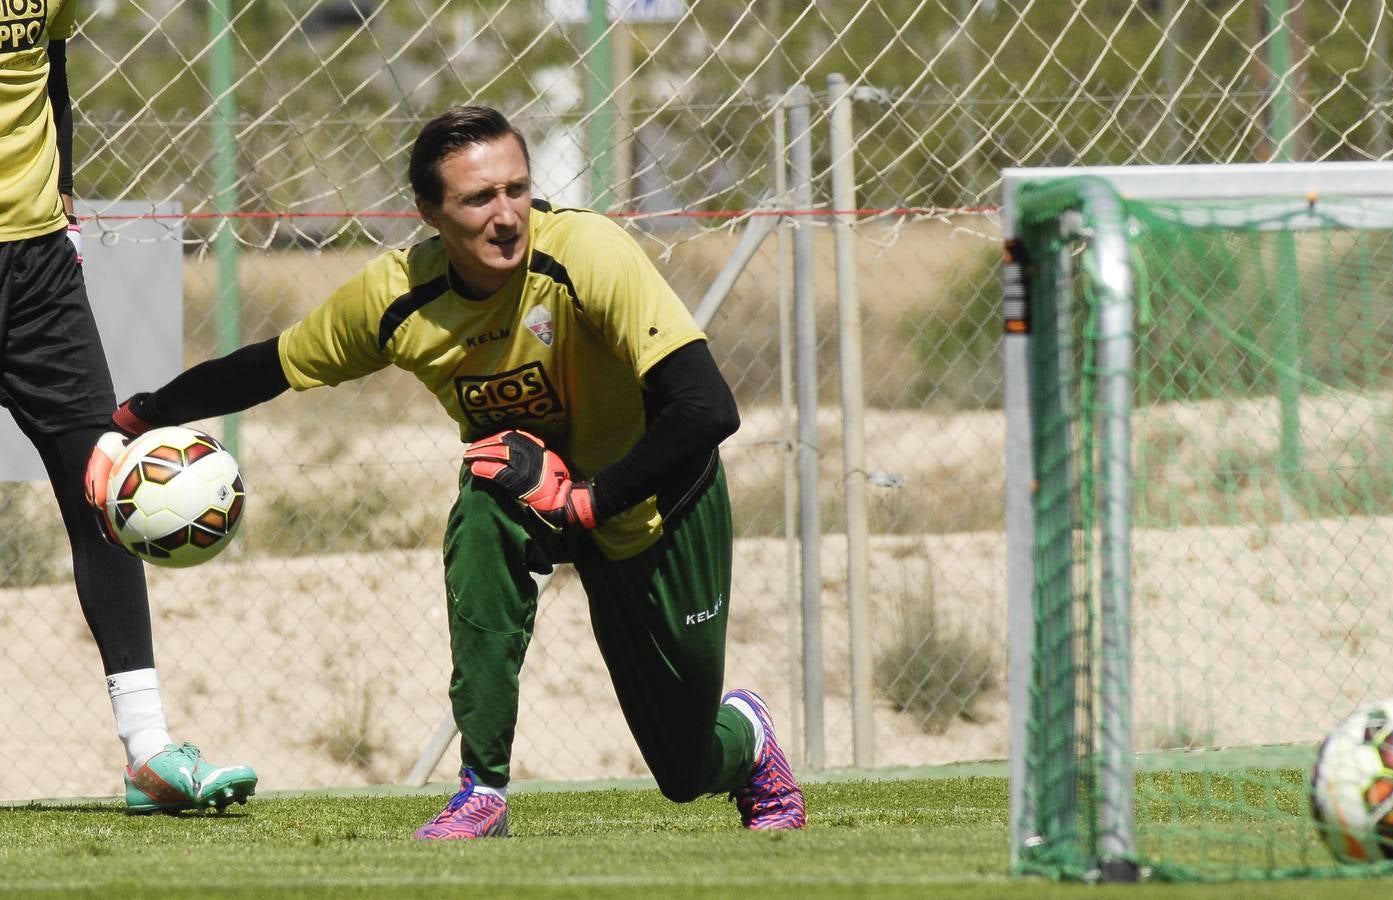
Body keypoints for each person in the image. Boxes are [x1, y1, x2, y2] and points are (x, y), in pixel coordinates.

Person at [87, 104, 806, 838]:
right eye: (477, 198)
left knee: (685, 771)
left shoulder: (587, 252)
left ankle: (745, 737)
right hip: (531, 494)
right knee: (488, 496)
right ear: (429, 212)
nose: (506, 216)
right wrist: (137, 417)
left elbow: (707, 408)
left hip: (655, 502)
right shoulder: (398, 297)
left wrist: (591, 500)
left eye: (517, 190)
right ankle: (483, 789)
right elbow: (270, 367)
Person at [0, 1, 257, 812]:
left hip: (38, 267)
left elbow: (51, 61)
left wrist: (65, 200)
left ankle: (148, 752)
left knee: (104, 489)